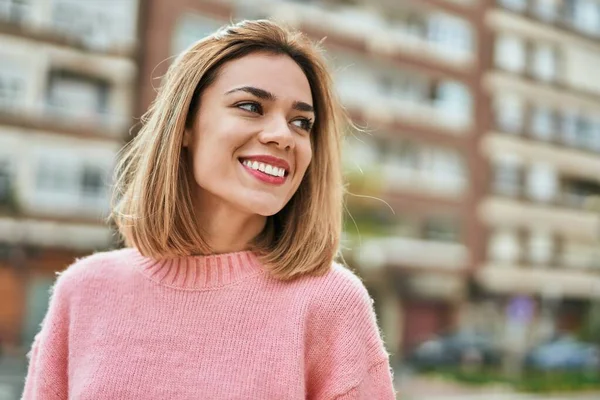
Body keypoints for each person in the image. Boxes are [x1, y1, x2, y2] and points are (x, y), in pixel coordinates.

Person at [21, 19, 396, 399]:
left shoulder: (329, 303)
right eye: (251, 106)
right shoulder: (84, 291)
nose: (283, 135)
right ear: (185, 124)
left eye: (301, 122)